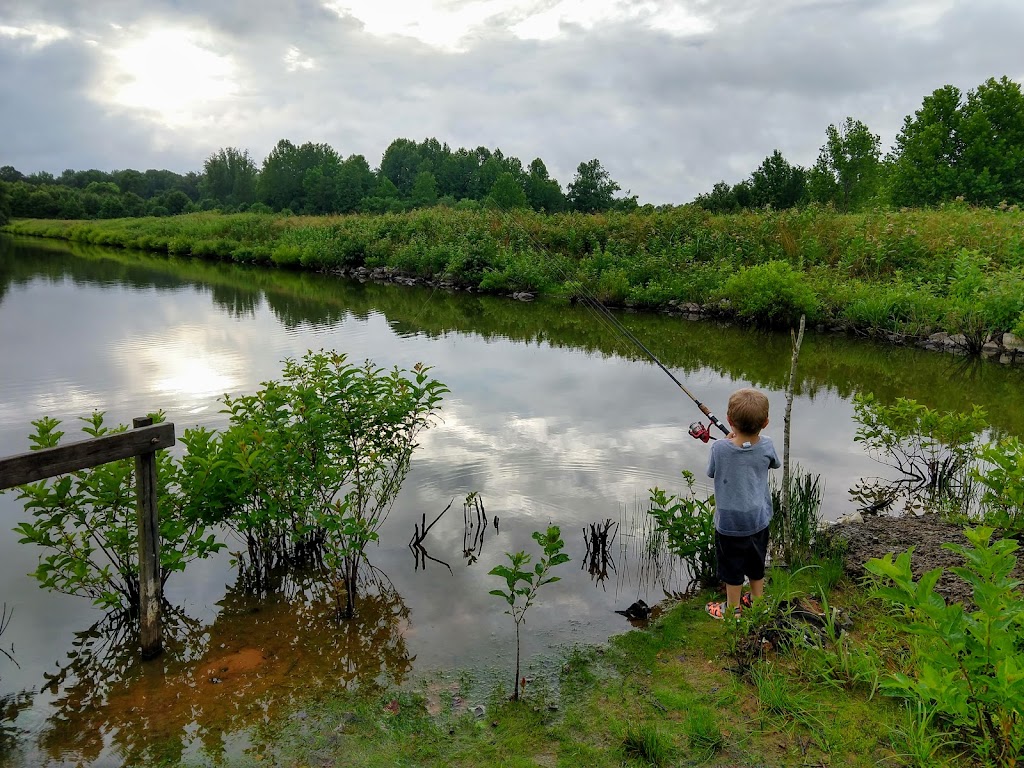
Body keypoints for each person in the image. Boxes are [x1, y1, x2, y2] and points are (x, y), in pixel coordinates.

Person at [704, 388, 781, 619]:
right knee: (757, 563)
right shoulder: (767, 445)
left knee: (732, 567)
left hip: (729, 523)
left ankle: (732, 609)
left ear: (728, 420)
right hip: (758, 519)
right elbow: (774, 463)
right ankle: (758, 603)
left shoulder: (719, 448)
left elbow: (711, 472)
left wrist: (730, 442)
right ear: (765, 423)